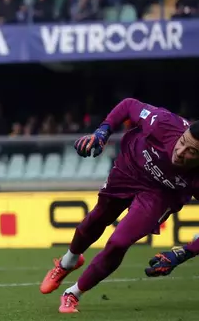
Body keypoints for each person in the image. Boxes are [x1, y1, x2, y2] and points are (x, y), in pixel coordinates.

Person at [39, 97, 199, 313]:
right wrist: (102, 133)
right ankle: (68, 262)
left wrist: (184, 253)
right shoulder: (163, 122)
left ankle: (72, 293)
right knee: (98, 217)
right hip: (130, 168)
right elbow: (128, 105)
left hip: (159, 194)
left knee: (119, 242)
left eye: (192, 152)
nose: (180, 152)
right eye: (182, 143)